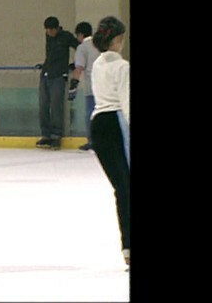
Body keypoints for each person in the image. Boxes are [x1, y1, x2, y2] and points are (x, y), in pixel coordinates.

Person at [90, 16, 130, 269]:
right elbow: (127, 104)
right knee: (127, 190)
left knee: (122, 189)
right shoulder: (123, 66)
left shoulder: (97, 64)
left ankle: (127, 248)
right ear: (118, 39)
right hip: (116, 125)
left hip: (98, 125)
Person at [36, 16, 79, 150]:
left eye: (50, 30)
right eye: (47, 30)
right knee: (43, 105)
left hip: (59, 75)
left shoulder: (66, 36)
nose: (48, 33)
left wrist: (75, 65)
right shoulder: (48, 36)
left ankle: (56, 135)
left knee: (56, 105)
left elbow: (79, 48)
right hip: (46, 74)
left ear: (56, 28)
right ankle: (46, 135)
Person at [69, 22, 101, 151]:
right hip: (105, 85)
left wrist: (73, 85)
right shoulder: (100, 44)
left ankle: (92, 140)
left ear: (80, 35)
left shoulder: (82, 47)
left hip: (91, 85)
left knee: (90, 113)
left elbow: (79, 67)